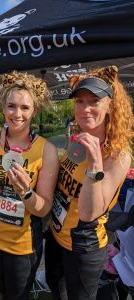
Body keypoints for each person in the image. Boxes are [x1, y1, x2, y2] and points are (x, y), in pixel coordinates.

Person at [45, 65, 133, 300]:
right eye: (79, 102)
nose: (85, 109)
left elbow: (89, 212)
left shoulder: (117, 155)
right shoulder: (78, 141)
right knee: (56, 290)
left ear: (110, 105)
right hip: (56, 235)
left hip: (83, 246)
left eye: (94, 101)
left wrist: (95, 165)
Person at [0, 71, 59, 300]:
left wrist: (25, 191)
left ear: (34, 110)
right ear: (3, 107)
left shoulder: (46, 150)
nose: (17, 114)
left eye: (25, 108)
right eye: (11, 106)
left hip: (21, 247)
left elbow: (43, 209)